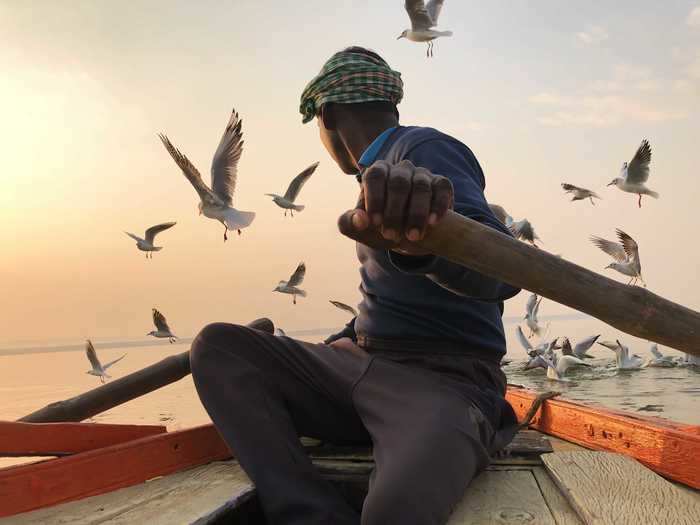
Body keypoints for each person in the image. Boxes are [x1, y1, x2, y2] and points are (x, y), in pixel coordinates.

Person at [190, 46, 521, 525]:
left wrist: (425, 242)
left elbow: (500, 269)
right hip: (364, 362)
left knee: (394, 513)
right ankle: (310, 513)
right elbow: (390, 298)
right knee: (222, 347)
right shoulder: (375, 177)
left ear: (324, 115)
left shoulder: (420, 152)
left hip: (442, 384)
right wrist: (347, 337)